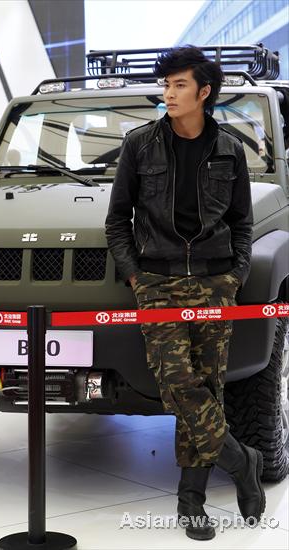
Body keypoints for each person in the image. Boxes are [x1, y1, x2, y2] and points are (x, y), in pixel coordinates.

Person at [105, 45, 265, 541]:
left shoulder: (230, 149)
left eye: (178, 85)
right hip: (157, 282)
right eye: (166, 84)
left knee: (208, 386)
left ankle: (190, 500)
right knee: (177, 381)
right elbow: (117, 221)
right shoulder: (139, 144)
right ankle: (242, 461)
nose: (168, 93)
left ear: (204, 91)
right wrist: (137, 275)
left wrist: (234, 275)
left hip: (215, 281)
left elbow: (242, 222)